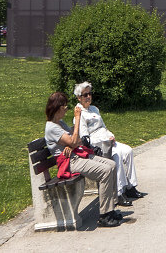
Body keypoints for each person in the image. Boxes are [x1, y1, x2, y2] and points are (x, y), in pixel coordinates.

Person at [44, 92, 122, 227]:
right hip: (70, 163)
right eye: (65, 106)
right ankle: (104, 215)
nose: (67, 109)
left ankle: (110, 208)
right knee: (106, 170)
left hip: (77, 156)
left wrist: (71, 143)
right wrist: (77, 119)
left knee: (112, 164)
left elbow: (78, 140)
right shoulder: (51, 127)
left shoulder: (60, 123)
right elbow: (74, 141)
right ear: (58, 108)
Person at [73, 82, 143, 207]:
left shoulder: (94, 109)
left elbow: (103, 127)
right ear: (79, 97)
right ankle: (119, 192)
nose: (88, 96)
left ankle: (131, 186)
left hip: (106, 139)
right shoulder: (80, 114)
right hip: (97, 143)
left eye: (90, 94)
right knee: (116, 155)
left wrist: (111, 135)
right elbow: (84, 138)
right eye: (85, 95)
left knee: (127, 151)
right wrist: (98, 145)